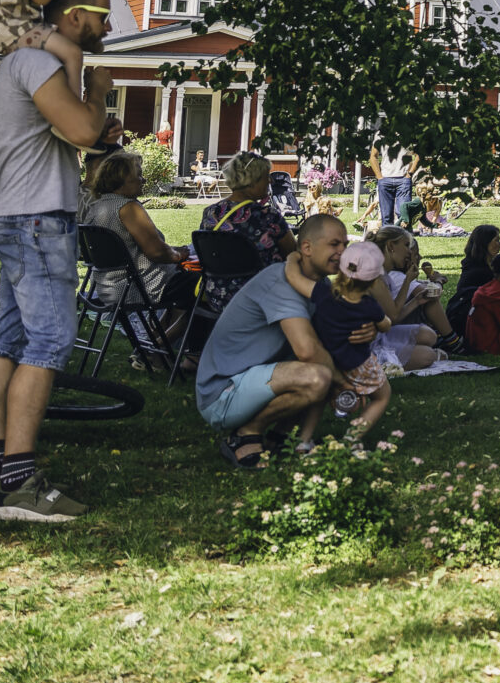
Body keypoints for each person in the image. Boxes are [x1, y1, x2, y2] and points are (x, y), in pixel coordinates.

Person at [0, 0, 124, 524]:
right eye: (102, 16)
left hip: (17, 216)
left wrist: (95, 127)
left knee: (10, 340)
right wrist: (97, 93)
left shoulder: (25, 62)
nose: (109, 27)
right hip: (37, 220)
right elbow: (80, 130)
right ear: (74, 16)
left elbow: (68, 134)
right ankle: (16, 485)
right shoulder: (39, 62)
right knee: (51, 340)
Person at [196, 212, 367, 468]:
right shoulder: (281, 281)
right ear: (306, 248)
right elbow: (307, 351)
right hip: (221, 394)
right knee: (319, 376)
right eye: (334, 244)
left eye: (345, 244)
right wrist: (342, 384)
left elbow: (335, 336)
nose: (342, 251)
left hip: (254, 378)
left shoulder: (317, 284)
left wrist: (369, 329)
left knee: (328, 362)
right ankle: (245, 435)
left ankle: (283, 438)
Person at [79, 149, 197, 346]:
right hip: (138, 287)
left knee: (186, 289)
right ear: (120, 179)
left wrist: (175, 250)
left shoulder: (98, 207)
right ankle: (160, 349)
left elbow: (133, 248)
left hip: (107, 287)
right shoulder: (129, 208)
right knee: (205, 287)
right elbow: (157, 252)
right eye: (139, 175)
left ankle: (152, 344)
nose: (143, 180)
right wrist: (179, 255)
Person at [195, 152, 298, 319]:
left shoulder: (211, 212)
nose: (270, 181)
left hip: (218, 297)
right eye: (266, 177)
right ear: (251, 181)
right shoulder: (267, 216)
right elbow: (293, 254)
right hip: (260, 298)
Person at [313, 240, 395, 439]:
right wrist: (383, 322)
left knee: (320, 398)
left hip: (329, 360)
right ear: (374, 281)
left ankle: (304, 438)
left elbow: (296, 280)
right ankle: (352, 437)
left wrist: (291, 262)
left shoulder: (323, 295)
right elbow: (385, 324)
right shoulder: (369, 306)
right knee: (382, 396)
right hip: (358, 362)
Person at [368, 226, 446, 370]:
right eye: (405, 245)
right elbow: (393, 316)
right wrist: (407, 281)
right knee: (427, 355)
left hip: (380, 333)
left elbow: (392, 317)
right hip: (369, 342)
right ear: (391, 246)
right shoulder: (375, 277)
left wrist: (416, 301)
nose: (409, 252)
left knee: (429, 335)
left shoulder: (384, 274)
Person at [369, 138, 420, 229]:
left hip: (403, 180)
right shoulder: (381, 135)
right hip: (385, 179)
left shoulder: (410, 134)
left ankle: (404, 236)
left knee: (403, 214)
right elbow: (373, 156)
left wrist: (409, 174)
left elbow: (419, 155)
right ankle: (388, 236)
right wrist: (379, 177)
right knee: (386, 216)